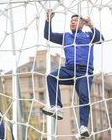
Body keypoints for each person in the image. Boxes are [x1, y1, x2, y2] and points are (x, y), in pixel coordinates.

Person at [42, 10, 104, 138]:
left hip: (84, 72)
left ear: (82, 24)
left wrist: (91, 25)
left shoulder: (88, 35)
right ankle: (56, 107)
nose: (72, 23)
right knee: (51, 76)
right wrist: (49, 20)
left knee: (83, 96)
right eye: (71, 21)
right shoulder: (65, 37)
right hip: (69, 69)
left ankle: (83, 127)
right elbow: (48, 35)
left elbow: (100, 39)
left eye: (75, 21)